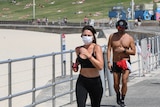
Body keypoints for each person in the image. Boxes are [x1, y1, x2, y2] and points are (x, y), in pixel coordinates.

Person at [72, 25, 104, 107]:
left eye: (89, 35)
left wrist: (89, 56)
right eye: (84, 35)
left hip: (95, 81)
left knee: (95, 105)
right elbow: (78, 62)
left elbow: (100, 66)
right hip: (82, 81)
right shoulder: (78, 49)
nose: (86, 37)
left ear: (93, 37)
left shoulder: (97, 48)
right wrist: (75, 66)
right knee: (81, 105)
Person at [107, 19, 136, 107]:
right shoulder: (112, 36)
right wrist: (108, 61)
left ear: (125, 28)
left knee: (124, 81)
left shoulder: (129, 38)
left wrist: (124, 50)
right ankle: (118, 95)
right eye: (119, 27)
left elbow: (134, 52)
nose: (120, 29)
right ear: (117, 27)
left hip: (126, 62)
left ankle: (123, 98)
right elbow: (108, 49)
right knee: (116, 84)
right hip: (115, 62)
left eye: (122, 27)